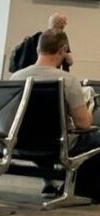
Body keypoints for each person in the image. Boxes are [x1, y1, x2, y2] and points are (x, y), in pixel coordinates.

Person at [11, 29, 98, 197]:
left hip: (23, 142)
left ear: (38, 49)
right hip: (59, 144)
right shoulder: (67, 80)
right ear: (63, 50)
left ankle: (50, 182)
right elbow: (83, 124)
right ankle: (82, 189)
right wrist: (88, 106)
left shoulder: (16, 77)